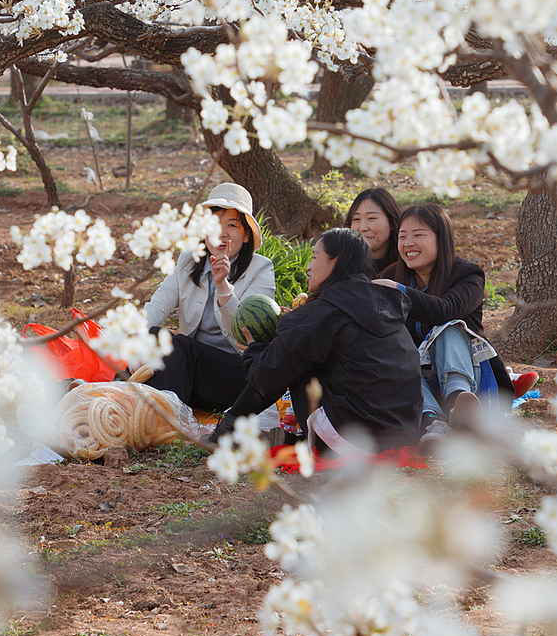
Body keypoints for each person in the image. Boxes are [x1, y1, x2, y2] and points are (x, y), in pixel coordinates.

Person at [216, 228, 422, 454]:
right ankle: (283, 438)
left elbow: (267, 376)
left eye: (315, 257)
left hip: (353, 441)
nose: (308, 266)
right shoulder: (384, 303)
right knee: (301, 352)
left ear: (336, 262)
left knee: (294, 361)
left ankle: (229, 427)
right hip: (404, 435)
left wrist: (255, 350)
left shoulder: (320, 314)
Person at [373, 203, 533, 450]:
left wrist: (401, 293)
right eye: (402, 237)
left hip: (469, 381)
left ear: (442, 238)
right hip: (418, 385)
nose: (407, 244)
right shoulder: (393, 277)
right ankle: (433, 423)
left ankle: (461, 406)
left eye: (418, 235)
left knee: (449, 327)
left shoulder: (468, 275)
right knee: (393, 347)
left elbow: (444, 310)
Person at [141, 183, 275, 411]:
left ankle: (158, 418)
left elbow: (246, 337)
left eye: (232, 225)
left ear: (245, 236)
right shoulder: (188, 260)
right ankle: (126, 399)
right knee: (153, 336)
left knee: (181, 346)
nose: (221, 233)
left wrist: (223, 285)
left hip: (236, 375)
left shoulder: (261, 269)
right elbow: (159, 303)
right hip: (187, 370)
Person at [344, 188, 402, 274]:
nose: (362, 228)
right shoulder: (341, 266)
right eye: (356, 219)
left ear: (392, 222)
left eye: (371, 218)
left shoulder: (407, 266)